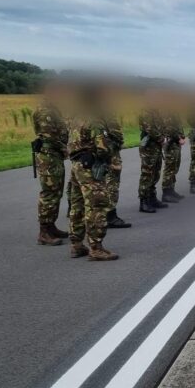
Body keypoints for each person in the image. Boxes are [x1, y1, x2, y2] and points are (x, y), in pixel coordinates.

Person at [66, 84, 118, 261]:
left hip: (76, 166)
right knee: (96, 205)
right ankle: (96, 248)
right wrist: (110, 150)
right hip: (90, 168)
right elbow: (103, 147)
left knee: (77, 206)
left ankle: (76, 244)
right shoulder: (94, 119)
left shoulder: (76, 117)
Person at [32, 81, 70, 246]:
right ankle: (44, 231)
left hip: (54, 156)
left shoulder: (53, 109)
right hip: (49, 157)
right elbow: (49, 137)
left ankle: (51, 226)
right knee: (49, 193)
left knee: (56, 192)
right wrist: (65, 149)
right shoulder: (45, 111)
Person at [138, 91, 167, 213]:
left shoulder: (156, 112)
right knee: (147, 174)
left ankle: (152, 197)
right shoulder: (145, 112)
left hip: (156, 147)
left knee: (155, 173)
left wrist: (163, 137)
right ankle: (143, 201)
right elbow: (150, 128)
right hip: (149, 147)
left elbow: (162, 127)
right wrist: (161, 139)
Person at [102, 105, 130, 228]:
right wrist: (119, 143)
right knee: (112, 182)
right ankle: (110, 216)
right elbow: (116, 133)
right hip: (109, 151)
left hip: (99, 152)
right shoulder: (106, 111)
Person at [161, 105, 186, 203]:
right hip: (171, 143)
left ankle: (171, 190)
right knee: (169, 168)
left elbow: (178, 126)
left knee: (174, 167)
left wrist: (182, 136)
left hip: (176, 143)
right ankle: (166, 193)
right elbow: (169, 128)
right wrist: (179, 138)